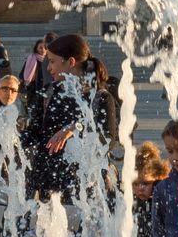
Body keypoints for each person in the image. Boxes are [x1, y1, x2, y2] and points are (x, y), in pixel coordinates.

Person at [25, 33, 116, 202]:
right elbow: (33, 133)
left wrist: (75, 128)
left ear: (70, 62)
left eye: (52, 61)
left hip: (84, 187)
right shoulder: (48, 93)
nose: (48, 68)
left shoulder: (99, 98)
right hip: (47, 184)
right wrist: (7, 137)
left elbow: (108, 140)